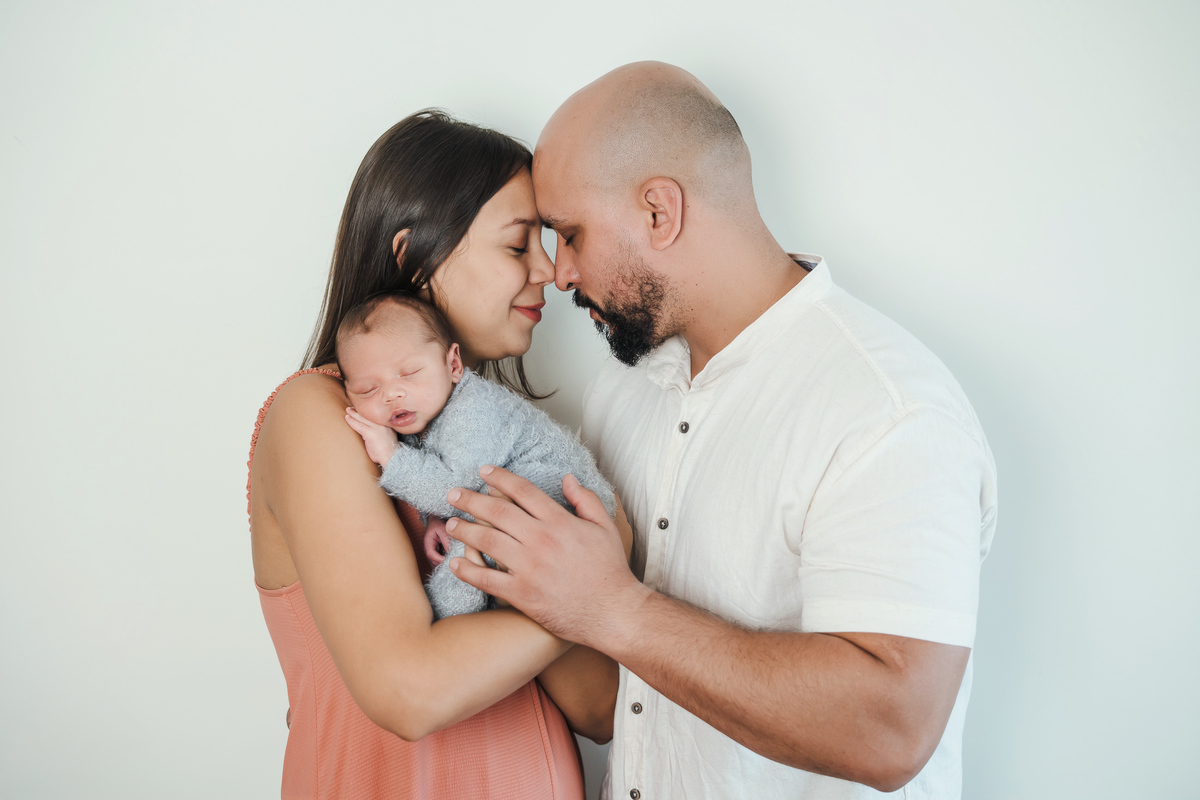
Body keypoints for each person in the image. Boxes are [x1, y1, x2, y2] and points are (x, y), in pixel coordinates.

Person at [443, 62, 999, 799]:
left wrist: (614, 609)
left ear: (659, 212)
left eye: (570, 234)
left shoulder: (886, 409)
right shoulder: (623, 391)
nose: (560, 272)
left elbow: (892, 731)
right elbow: (616, 704)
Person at [248, 109, 628, 799]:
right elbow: (410, 691)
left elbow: (600, 707)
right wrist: (590, 594)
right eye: (517, 244)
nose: (550, 270)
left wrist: (581, 593)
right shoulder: (317, 416)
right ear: (412, 255)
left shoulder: (500, 442)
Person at [335, 291, 616, 619]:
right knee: (474, 542)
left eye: (409, 373)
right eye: (368, 390)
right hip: (522, 510)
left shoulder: (475, 407)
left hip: (566, 504)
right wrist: (436, 518)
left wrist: (390, 454)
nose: (391, 394)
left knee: (468, 556)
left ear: (453, 365)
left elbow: (456, 491)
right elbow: (443, 480)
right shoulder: (423, 412)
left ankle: (443, 626)